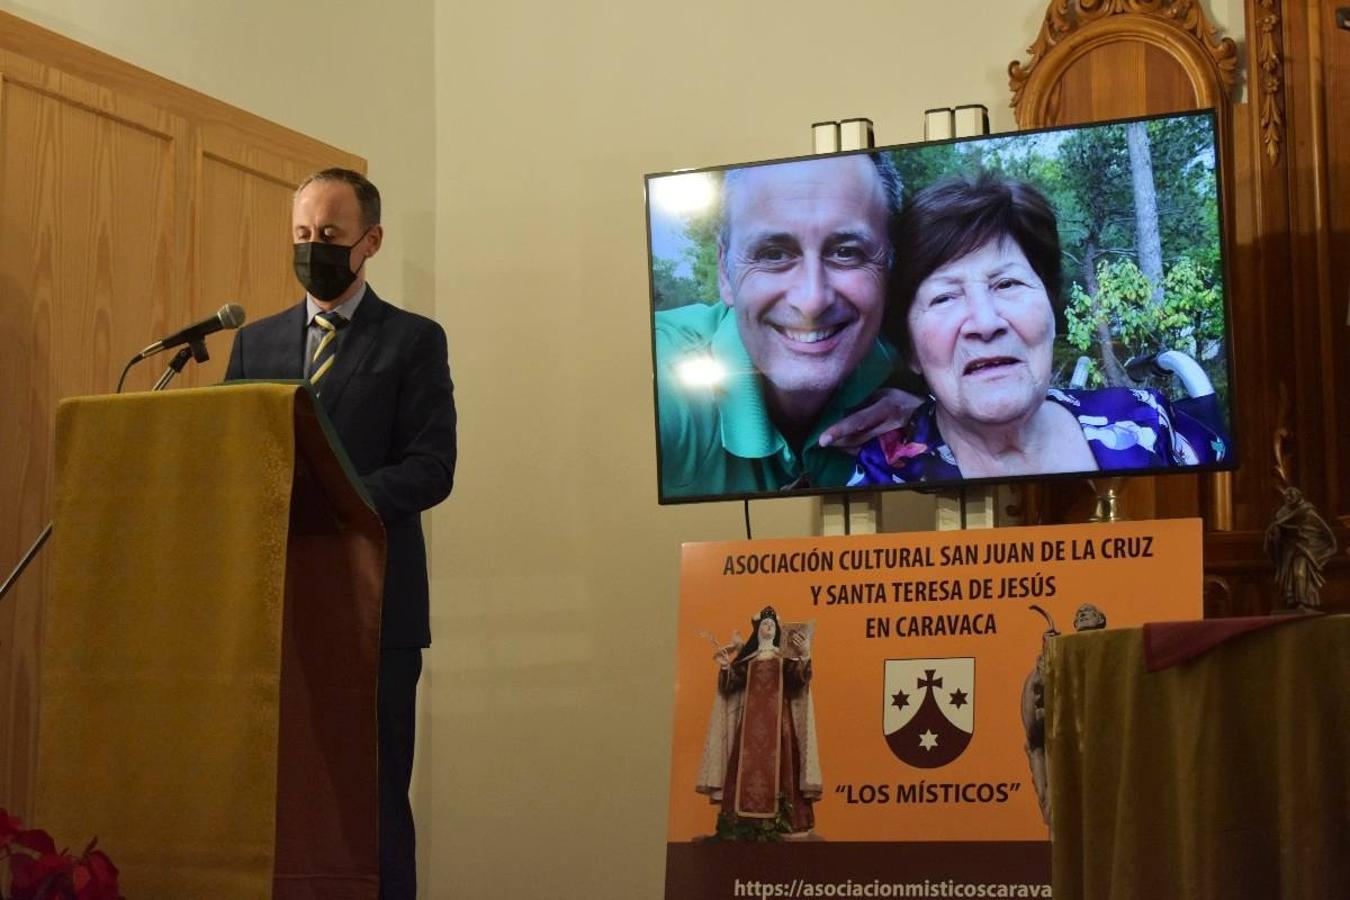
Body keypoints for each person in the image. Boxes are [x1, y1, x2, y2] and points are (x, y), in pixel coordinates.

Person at [224, 168, 456, 899]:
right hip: (278, 614)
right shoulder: (256, 345)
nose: (313, 249)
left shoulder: (413, 340)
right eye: (301, 235)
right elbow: (233, 460)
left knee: (374, 796)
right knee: (278, 800)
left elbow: (431, 468)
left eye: (328, 236)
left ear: (371, 241)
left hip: (374, 611)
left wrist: (338, 499)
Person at [850, 173, 1228, 485]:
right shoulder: (883, 477)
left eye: (1007, 285)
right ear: (911, 349)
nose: (985, 323)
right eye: (944, 298)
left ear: (1049, 305)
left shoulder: (1146, 426)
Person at [655, 153, 906, 498]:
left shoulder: (919, 366)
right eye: (774, 254)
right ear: (725, 273)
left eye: (846, 252)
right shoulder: (659, 375)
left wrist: (940, 421)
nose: (812, 300)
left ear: (888, 270)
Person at [695, 607, 820, 838]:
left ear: (778, 631)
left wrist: (804, 654)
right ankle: (741, 823)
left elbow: (799, 678)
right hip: (748, 733)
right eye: (764, 624)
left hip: (779, 729)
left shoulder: (784, 660)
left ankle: (784, 823)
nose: (768, 627)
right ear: (758, 631)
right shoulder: (749, 660)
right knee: (743, 767)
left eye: (772, 625)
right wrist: (725, 666)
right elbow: (730, 684)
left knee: (783, 767)